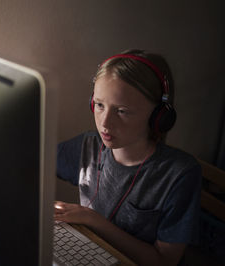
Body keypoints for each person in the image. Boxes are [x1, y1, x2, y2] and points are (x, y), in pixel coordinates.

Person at [55, 49, 202, 265]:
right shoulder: (88, 145)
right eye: (99, 105)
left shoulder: (180, 174)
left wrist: (91, 219)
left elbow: (163, 261)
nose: (105, 123)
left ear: (158, 117)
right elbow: (30, 160)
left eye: (122, 111)